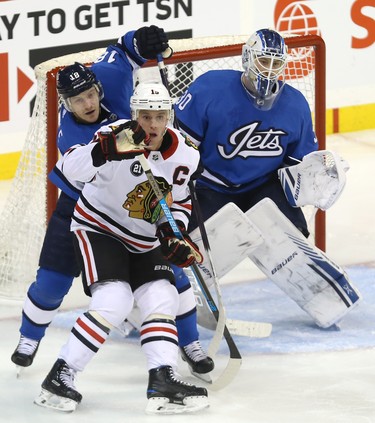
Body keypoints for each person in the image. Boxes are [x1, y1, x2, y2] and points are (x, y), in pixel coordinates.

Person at [11, 25, 213, 377]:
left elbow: (123, 48)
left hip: (134, 202)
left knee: (173, 276)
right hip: (84, 206)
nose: (87, 105)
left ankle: (190, 343)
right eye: (77, 101)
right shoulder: (73, 133)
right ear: (66, 104)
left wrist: (140, 39)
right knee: (52, 282)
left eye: (90, 95)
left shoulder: (112, 77)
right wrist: (107, 148)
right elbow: (74, 170)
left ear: (99, 87)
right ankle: (29, 339)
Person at [34, 82, 209, 414]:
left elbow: (180, 203)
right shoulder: (114, 134)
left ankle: (162, 377)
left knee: (162, 296)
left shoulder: (186, 156)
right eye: (146, 116)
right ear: (134, 115)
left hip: (144, 239)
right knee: (115, 300)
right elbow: (68, 169)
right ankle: (61, 374)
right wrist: (103, 151)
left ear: (169, 116)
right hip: (99, 228)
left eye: (160, 116)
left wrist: (174, 234)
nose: (153, 125)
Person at [174, 28, 317, 237]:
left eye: (275, 63)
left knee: (293, 238)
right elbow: (180, 146)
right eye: (263, 60)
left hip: (263, 186)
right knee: (189, 248)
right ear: (247, 57)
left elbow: (296, 164)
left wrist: (315, 176)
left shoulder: (296, 105)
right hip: (210, 186)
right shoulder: (209, 89)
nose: (269, 70)